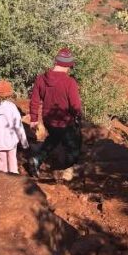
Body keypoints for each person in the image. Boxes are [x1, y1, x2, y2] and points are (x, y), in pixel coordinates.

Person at [27, 48, 82, 177]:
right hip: (64, 122)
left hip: (48, 120)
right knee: (74, 144)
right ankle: (68, 171)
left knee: (53, 139)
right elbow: (75, 105)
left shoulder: (41, 79)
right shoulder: (69, 82)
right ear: (68, 65)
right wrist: (78, 118)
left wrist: (34, 119)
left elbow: (34, 100)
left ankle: (36, 160)